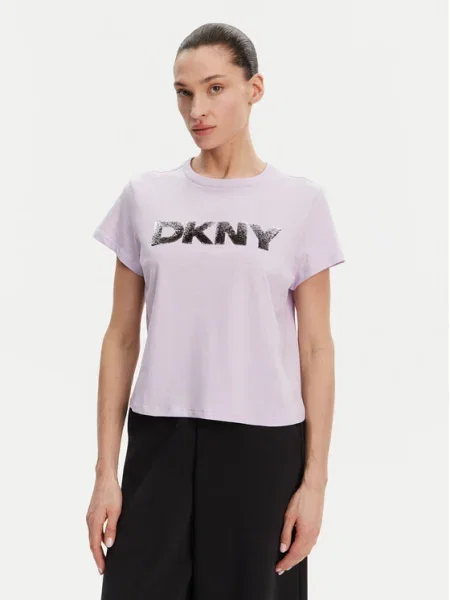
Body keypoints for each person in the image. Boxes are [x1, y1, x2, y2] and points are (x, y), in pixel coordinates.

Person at [86, 22, 345, 600]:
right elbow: (121, 337)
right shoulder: (145, 197)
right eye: (184, 93)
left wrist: (315, 483)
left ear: (255, 89)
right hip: (159, 436)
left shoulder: (300, 202)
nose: (196, 109)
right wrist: (106, 472)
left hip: (263, 444)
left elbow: (315, 348)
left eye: (215, 88)